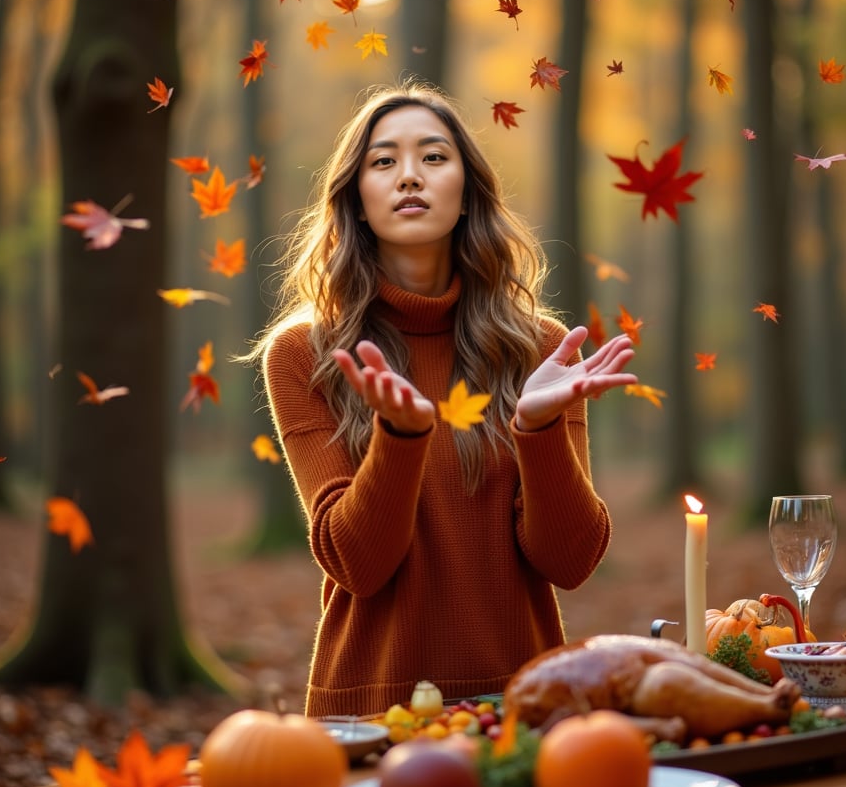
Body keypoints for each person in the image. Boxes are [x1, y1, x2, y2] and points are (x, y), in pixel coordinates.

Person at [248, 81, 638, 718]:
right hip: (373, 712)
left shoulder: (538, 348)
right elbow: (359, 565)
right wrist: (398, 439)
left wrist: (538, 429)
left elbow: (568, 562)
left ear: (466, 195)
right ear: (357, 199)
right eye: (383, 161)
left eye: (433, 157)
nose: (409, 176)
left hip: (525, 707)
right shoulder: (304, 354)